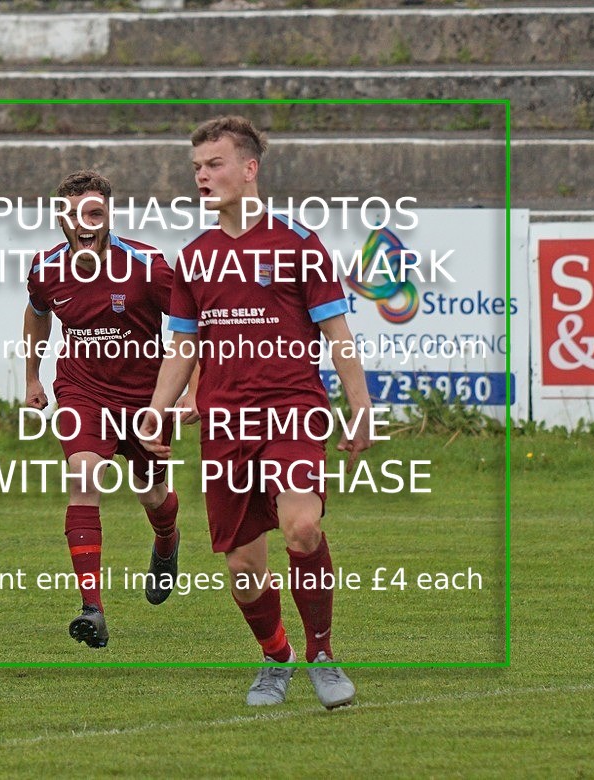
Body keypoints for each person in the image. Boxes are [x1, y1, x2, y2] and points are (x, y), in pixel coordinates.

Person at [140, 117, 373, 708]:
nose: (202, 176)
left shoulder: (299, 242)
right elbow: (185, 345)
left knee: (301, 526)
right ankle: (277, 659)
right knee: (244, 571)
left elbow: (337, 331)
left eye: (213, 164)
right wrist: (157, 409)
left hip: (293, 409)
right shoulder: (193, 258)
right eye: (196, 167)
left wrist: (361, 404)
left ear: (249, 169)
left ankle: (322, 654)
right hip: (224, 424)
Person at [23, 170, 196, 649]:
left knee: (152, 494)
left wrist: (192, 392)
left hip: (146, 400)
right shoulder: (45, 267)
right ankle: (91, 609)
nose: (82, 222)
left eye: (92, 213)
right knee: (84, 476)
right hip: (83, 394)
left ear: (108, 215)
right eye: (71, 213)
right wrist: (33, 377)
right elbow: (38, 313)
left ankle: (167, 541)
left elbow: (192, 324)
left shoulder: (148, 265)